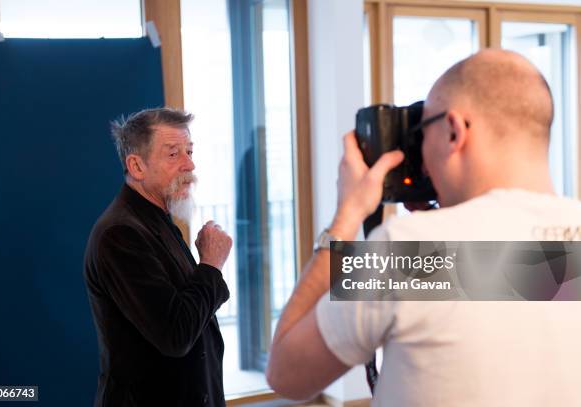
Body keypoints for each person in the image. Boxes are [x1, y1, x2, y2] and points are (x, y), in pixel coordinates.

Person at [266, 49, 581, 406]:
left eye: (421, 131)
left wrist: (347, 216)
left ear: (453, 131)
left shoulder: (406, 252)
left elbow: (286, 374)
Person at [84, 108, 232, 407]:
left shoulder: (157, 220)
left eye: (189, 151)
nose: (189, 164)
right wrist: (211, 265)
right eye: (173, 154)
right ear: (137, 166)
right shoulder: (121, 234)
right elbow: (175, 334)